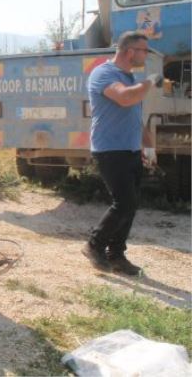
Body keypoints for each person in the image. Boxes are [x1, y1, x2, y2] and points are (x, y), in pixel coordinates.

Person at [82, 31, 162, 275]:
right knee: (124, 202)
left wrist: (148, 147)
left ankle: (116, 255)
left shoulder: (130, 78)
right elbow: (125, 99)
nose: (146, 55)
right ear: (129, 51)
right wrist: (149, 81)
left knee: (131, 204)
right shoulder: (103, 74)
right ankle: (94, 245)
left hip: (130, 149)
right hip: (109, 149)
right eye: (144, 50)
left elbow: (136, 118)